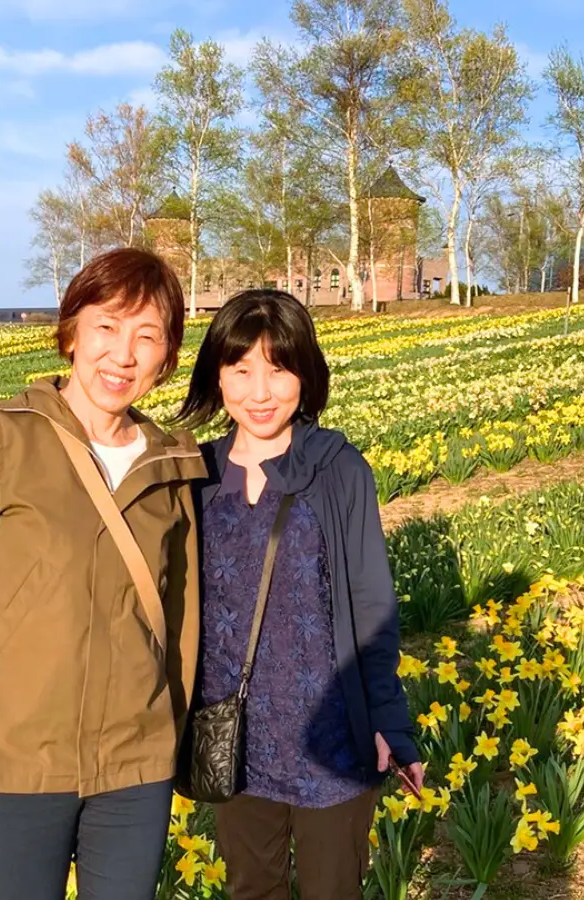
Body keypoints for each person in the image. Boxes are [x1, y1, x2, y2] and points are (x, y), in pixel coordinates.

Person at [0, 248, 205, 900]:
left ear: (167, 357)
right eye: (107, 327)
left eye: (147, 336)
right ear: (71, 332)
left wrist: (170, 740)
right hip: (17, 765)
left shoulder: (172, 466)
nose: (122, 355)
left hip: (134, 768)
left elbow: (181, 623)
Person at [177, 289, 421, 900]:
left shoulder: (338, 469)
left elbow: (372, 604)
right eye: (241, 370)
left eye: (279, 369)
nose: (260, 392)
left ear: (306, 374)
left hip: (330, 738)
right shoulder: (195, 476)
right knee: (251, 890)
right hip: (234, 738)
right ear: (217, 376)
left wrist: (389, 722)